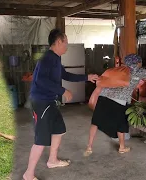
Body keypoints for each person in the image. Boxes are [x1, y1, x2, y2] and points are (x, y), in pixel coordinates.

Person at [23, 29, 99, 180]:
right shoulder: (47, 58)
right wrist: (62, 90)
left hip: (50, 102)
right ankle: (28, 174)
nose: (67, 46)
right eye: (66, 42)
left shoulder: (55, 58)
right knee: (41, 140)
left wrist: (86, 77)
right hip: (41, 102)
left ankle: (52, 160)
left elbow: (65, 75)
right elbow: (41, 80)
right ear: (59, 42)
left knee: (59, 130)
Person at [84, 54, 146, 156]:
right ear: (137, 62)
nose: (141, 63)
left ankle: (89, 147)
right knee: (121, 125)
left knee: (96, 122)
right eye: (140, 62)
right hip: (119, 101)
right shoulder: (138, 71)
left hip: (103, 97)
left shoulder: (119, 69)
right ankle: (122, 147)